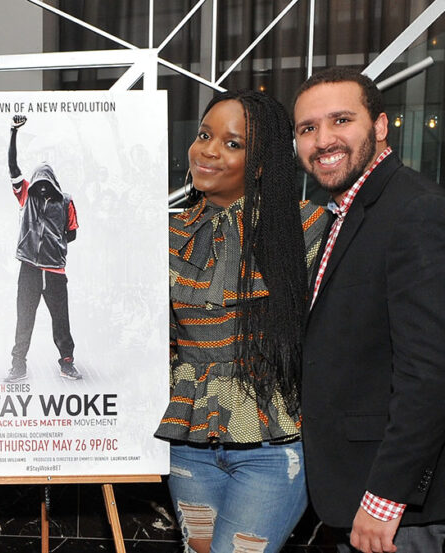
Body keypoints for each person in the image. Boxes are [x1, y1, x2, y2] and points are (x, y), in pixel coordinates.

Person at [155, 90, 328, 553]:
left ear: (263, 162)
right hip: (187, 443)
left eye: (232, 143)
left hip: (274, 447)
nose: (208, 150)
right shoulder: (167, 235)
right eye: (204, 135)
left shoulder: (310, 228)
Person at [294, 67, 445, 553]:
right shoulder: (347, 214)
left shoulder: (415, 210)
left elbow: (430, 372)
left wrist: (384, 498)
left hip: (397, 511)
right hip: (353, 493)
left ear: (380, 126)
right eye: (307, 128)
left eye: (341, 120)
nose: (323, 140)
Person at [2, 114, 81, 383]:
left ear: (54, 184)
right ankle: (18, 365)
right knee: (24, 320)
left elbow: (71, 233)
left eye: (47, 184)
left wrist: (51, 247)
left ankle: (67, 363)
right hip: (30, 269)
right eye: (40, 184)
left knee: (61, 321)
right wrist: (13, 132)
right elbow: (13, 166)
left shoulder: (67, 201)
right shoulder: (26, 194)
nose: (43, 189)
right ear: (35, 183)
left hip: (55, 272)